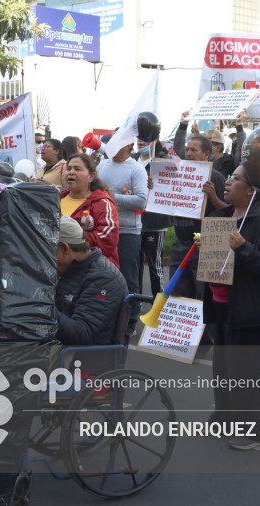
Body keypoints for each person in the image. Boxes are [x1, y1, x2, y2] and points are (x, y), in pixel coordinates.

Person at [202, 165, 260, 450]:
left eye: (235, 179)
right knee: (224, 370)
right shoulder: (223, 215)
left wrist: (244, 248)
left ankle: (255, 431)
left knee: (247, 373)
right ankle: (226, 418)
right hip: (221, 306)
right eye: (230, 177)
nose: (227, 182)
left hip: (248, 309)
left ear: (251, 190)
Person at [55, 216, 128, 377]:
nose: (45, 259)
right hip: (62, 353)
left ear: (65, 249)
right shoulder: (69, 269)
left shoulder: (104, 279)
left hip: (84, 367)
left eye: (48, 252)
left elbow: (82, 333)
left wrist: (41, 307)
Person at [168, 131, 227, 301]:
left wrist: (213, 196)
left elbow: (228, 213)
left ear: (206, 154)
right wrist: (155, 186)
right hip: (180, 245)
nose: (188, 153)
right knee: (177, 295)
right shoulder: (178, 175)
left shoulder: (216, 178)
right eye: (187, 149)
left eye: (193, 150)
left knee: (204, 297)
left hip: (205, 246)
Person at [96, 139, 148, 334]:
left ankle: (130, 322)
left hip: (127, 231)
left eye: (118, 142)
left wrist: (111, 197)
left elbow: (141, 201)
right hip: (103, 229)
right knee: (102, 276)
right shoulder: (102, 165)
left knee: (128, 278)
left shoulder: (136, 169)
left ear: (128, 145)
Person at [59, 153, 119, 267]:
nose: (71, 172)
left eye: (77, 169)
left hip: (92, 269)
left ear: (91, 176)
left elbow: (108, 239)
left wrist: (74, 238)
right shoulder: (56, 199)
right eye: (68, 169)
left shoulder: (102, 203)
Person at [133, 138, 171, 297]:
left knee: (155, 265)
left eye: (144, 138)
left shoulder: (163, 161)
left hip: (155, 222)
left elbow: (171, 186)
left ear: (154, 140)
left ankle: (158, 302)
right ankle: (137, 300)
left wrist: (156, 183)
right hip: (134, 221)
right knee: (135, 265)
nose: (140, 141)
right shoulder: (132, 159)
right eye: (138, 137)